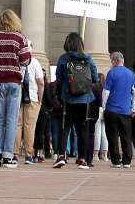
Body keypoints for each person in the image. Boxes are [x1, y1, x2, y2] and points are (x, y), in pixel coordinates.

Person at [0, 9, 31, 168]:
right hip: (14, 83)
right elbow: (25, 60)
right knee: (11, 120)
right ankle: (8, 156)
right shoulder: (19, 37)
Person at [53, 32, 98, 170]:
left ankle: (61, 156)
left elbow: (59, 80)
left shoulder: (63, 59)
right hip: (85, 99)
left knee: (65, 127)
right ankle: (83, 159)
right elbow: (95, 79)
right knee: (83, 129)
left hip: (68, 98)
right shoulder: (88, 58)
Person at [101, 51, 135, 168]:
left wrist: (104, 107)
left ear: (115, 61)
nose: (111, 63)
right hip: (125, 110)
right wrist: (134, 108)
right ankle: (127, 161)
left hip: (111, 110)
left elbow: (106, 92)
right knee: (126, 136)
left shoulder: (111, 73)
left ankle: (116, 161)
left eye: (111, 61)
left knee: (112, 136)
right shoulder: (131, 74)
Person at [17, 41, 45, 164]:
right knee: (30, 127)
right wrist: (40, 98)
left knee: (17, 126)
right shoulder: (35, 62)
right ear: (31, 50)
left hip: (18, 98)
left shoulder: (17, 61)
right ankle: (28, 155)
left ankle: (14, 153)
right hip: (33, 98)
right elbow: (41, 82)